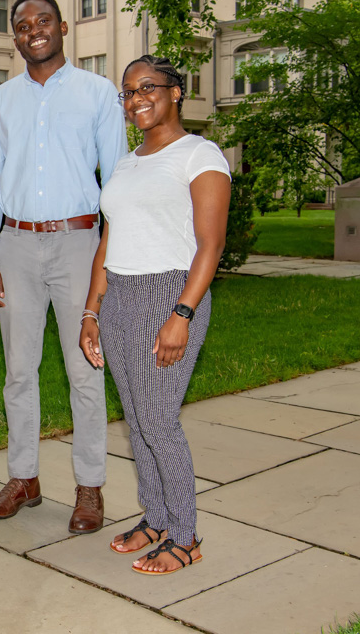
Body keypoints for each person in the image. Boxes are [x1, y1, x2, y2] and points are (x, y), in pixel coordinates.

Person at [0, 0, 126, 532]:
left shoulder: (98, 94)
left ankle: (89, 487)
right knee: (19, 370)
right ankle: (25, 477)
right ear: (14, 35)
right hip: (13, 246)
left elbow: (119, 181)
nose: (32, 30)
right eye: (22, 24)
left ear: (62, 27)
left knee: (85, 369)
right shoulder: (0, 103)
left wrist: (109, 259)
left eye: (42, 21)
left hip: (78, 244)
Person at [79, 55, 230, 575]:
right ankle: (157, 517)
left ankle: (185, 536)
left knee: (160, 421)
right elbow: (107, 240)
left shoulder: (200, 155)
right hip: (118, 296)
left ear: (175, 92)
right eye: (127, 92)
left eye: (148, 88)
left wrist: (182, 312)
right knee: (139, 422)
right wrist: (90, 311)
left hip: (169, 293)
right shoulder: (127, 161)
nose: (136, 99)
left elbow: (211, 245)